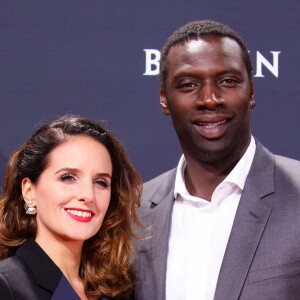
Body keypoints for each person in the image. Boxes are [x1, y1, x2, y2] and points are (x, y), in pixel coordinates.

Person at [133, 20, 300, 300]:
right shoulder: (133, 213)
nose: (209, 99)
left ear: (252, 91)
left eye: (228, 81)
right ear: (164, 99)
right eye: (188, 84)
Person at [0, 115, 142, 299]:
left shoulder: (118, 288)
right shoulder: (7, 285)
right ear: (29, 191)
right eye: (68, 177)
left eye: (100, 182)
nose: (88, 195)